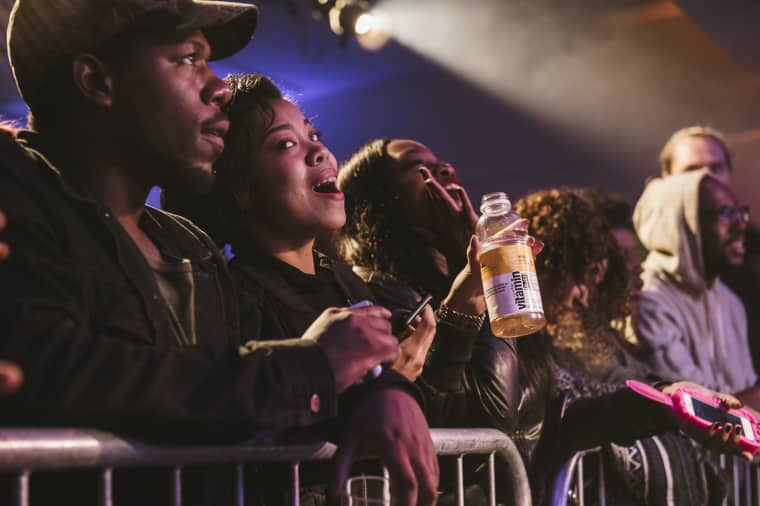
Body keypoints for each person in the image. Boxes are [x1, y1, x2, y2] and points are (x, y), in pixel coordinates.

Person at [0, 2, 435, 504]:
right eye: (189, 58)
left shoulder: (188, 245)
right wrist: (312, 367)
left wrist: (380, 391)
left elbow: (232, 376)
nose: (220, 87)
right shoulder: (17, 188)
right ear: (98, 82)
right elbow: (61, 370)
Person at [337, 139, 748, 504]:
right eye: (419, 167)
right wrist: (476, 284)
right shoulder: (380, 295)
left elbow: (547, 417)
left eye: (443, 160)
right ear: (379, 202)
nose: (445, 169)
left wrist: (666, 401)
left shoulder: (459, 281)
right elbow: (495, 417)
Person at [162, 72, 439, 505]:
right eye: (285, 144)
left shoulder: (348, 284)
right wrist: (374, 389)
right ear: (240, 188)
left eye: (313, 134)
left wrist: (398, 383)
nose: (319, 151)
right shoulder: (235, 297)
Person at [516, 188, 734, 505]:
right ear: (551, 264)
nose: (584, 295)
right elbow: (570, 413)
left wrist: (668, 396)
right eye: (585, 275)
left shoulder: (598, 342)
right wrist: (663, 401)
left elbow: (603, 402)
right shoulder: (529, 342)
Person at [633, 170, 760, 410]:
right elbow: (694, 411)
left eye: (739, 211)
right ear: (681, 224)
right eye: (724, 213)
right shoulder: (650, 301)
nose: (740, 225)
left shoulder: (729, 301)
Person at [659, 125, 760, 371]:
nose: (707, 177)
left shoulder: (753, 253)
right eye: (691, 169)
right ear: (666, 179)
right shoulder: (646, 276)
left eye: (716, 168)